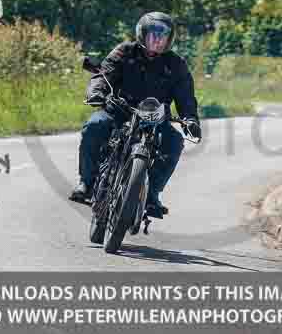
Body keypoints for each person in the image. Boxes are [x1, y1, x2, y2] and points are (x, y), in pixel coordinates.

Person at [69, 12, 202, 218]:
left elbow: (185, 96)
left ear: (169, 39)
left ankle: (152, 195)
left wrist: (191, 119)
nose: (158, 39)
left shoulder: (176, 64)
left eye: (163, 35)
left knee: (174, 141)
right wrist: (96, 92)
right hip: (120, 111)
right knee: (95, 125)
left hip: (155, 119)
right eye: (154, 34)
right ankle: (86, 182)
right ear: (142, 34)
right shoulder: (124, 51)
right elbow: (103, 74)